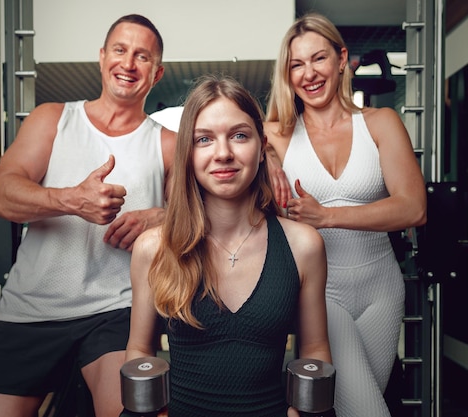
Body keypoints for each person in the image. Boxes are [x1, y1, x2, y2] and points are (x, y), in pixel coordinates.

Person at [0, 14, 176, 417]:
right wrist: (71, 199)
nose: (128, 64)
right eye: (119, 50)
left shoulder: (167, 144)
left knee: (136, 412)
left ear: (157, 72)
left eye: (142, 56)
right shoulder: (53, 118)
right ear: (102, 58)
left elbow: (202, 212)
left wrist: (160, 218)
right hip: (30, 309)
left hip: (116, 312)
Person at [124, 74, 331, 417]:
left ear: (262, 147)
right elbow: (139, 350)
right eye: (204, 139)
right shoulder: (152, 248)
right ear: (188, 154)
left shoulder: (303, 245)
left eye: (239, 136)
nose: (223, 153)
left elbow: (316, 350)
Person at [263, 12, 427, 417]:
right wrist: (266, 159)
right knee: (366, 409)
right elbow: (215, 141)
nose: (309, 73)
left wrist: (328, 216)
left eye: (318, 59)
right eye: (296, 64)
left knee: (354, 404)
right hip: (320, 294)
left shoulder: (381, 123)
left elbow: (413, 207)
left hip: (382, 291)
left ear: (342, 60)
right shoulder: (277, 134)